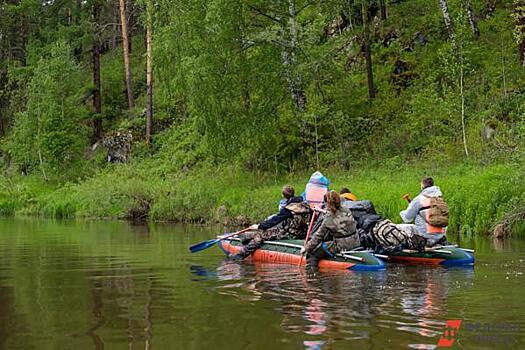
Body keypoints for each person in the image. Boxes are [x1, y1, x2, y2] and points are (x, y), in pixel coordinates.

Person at [233, 185, 311, 259]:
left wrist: (259, 226)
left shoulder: (288, 209)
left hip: (290, 234)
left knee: (261, 235)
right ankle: (244, 238)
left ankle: (240, 256)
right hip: (303, 233)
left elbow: (274, 220)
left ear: (283, 195)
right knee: (269, 231)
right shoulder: (305, 205)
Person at [301, 191, 360, 270]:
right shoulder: (346, 210)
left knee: (312, 255)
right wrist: (323, 211)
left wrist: (306, 248)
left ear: (327, 203)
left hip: (342, 245)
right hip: (356, 241)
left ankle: (312, 277)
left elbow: (318, 237)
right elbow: (336, 214)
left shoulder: (328, 219)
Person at [399, 176, 447, 246]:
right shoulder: (440, 199)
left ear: (422, 185)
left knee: (402, 227)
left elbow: (407, 218)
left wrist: (403, 212)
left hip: (425, 236)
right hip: (441, 235)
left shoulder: (419, 199)